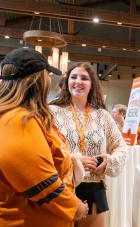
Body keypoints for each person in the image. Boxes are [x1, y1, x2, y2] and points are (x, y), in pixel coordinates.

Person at [0, 48, 88, 227]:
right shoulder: (17, 121)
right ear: (39, 79)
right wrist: (77, 208)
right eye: (48, 75)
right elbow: (43, 185)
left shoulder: (9, 116)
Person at [49, 62, 127, 227]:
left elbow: (121, 147)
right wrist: (74, 161)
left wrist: (108, 161)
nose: (78, 81)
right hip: (61, 187)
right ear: (67, 82)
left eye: (84, 78)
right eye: (74, 77)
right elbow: (43, 149)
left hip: (94, 188)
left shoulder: (102, 116)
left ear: (92, 85)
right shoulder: (52, 112)